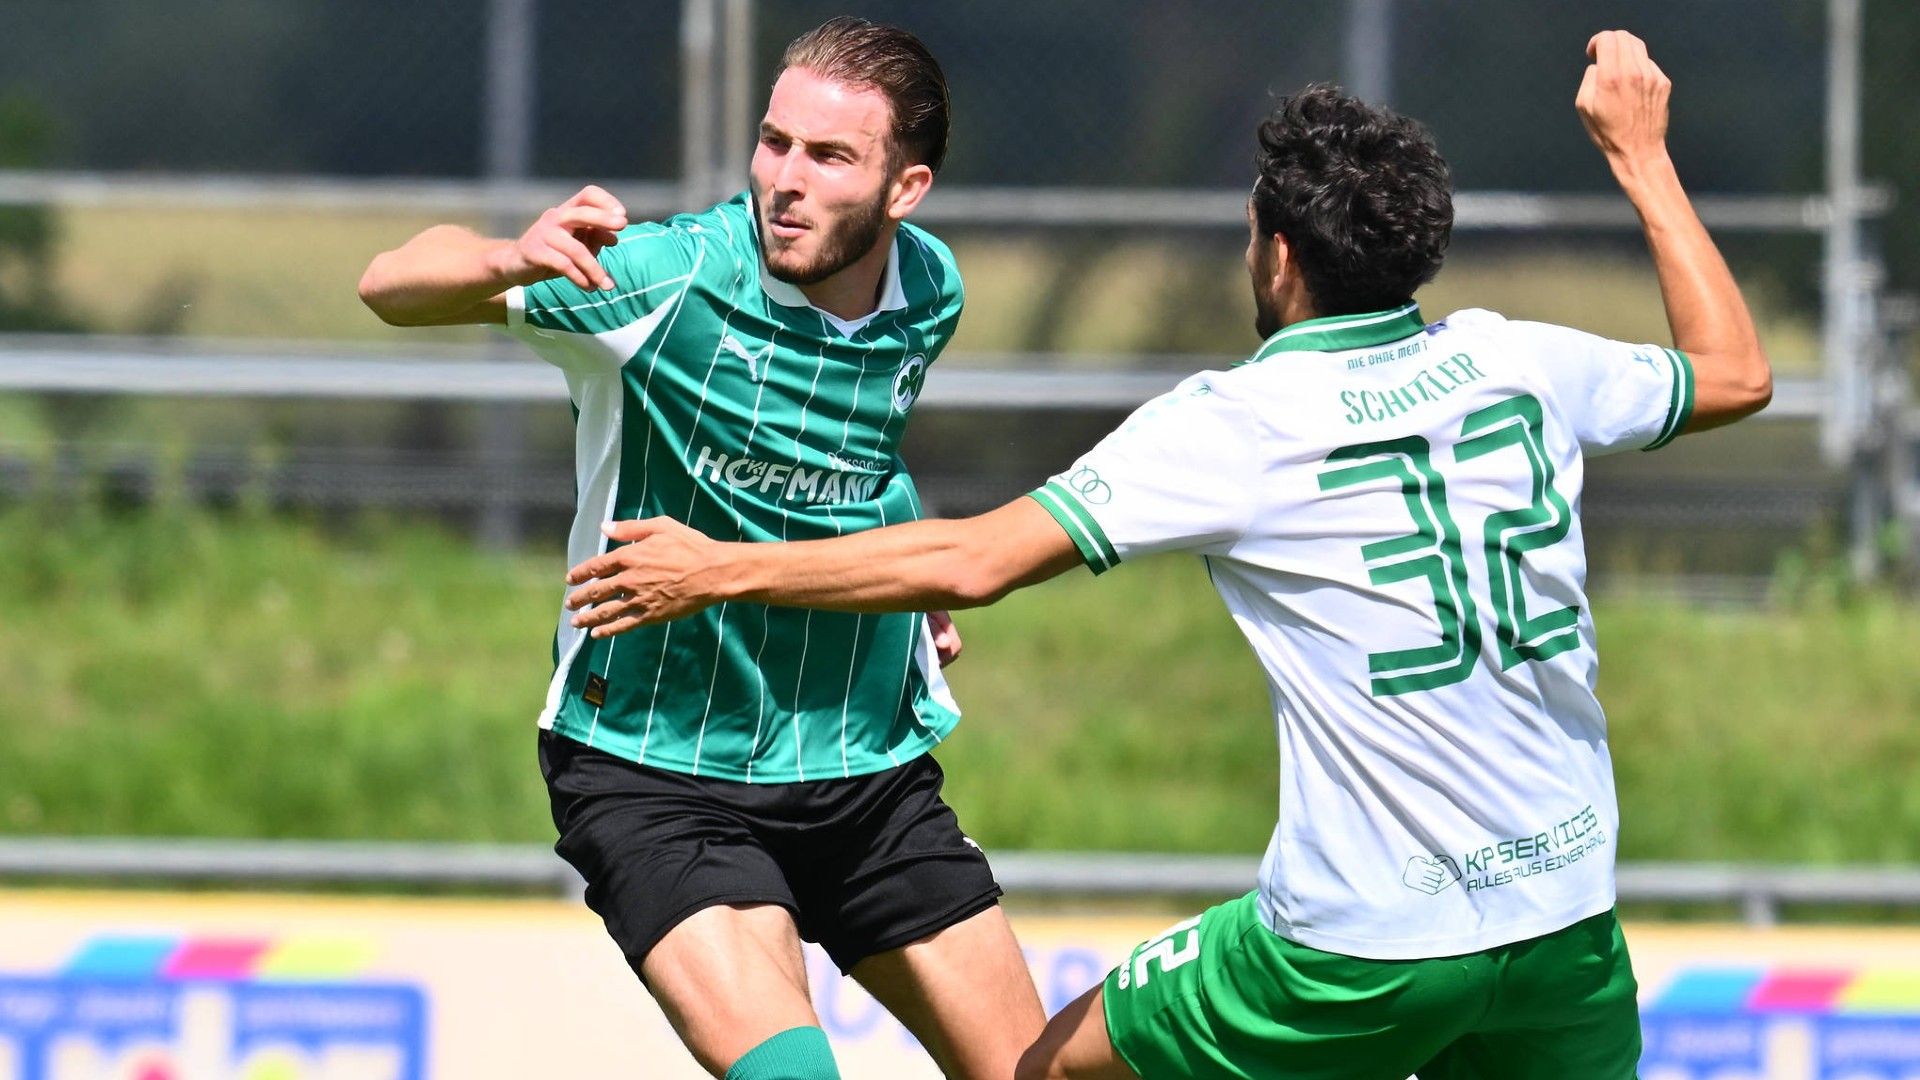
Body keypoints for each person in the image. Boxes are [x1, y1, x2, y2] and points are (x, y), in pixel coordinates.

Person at [558, 30, 1773, 1080]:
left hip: (1360, 941)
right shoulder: (1524, 361)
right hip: (1567, 920)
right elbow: (1735, 375)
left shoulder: (1240, 422)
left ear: (1276, 253)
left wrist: (717, 569)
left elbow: (978, 561)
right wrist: (1640, 155)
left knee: (1046, 1067)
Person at [357, 17, 1045, 1080]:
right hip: (657, 769)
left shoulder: (928, 291)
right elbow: (392, 282)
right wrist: (505, 257)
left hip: (861, 763)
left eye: (829, 156)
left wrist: (903, 557)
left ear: (904, 190)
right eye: (774, 142)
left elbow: (861, 449)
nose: (785, 180)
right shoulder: (665, 278)